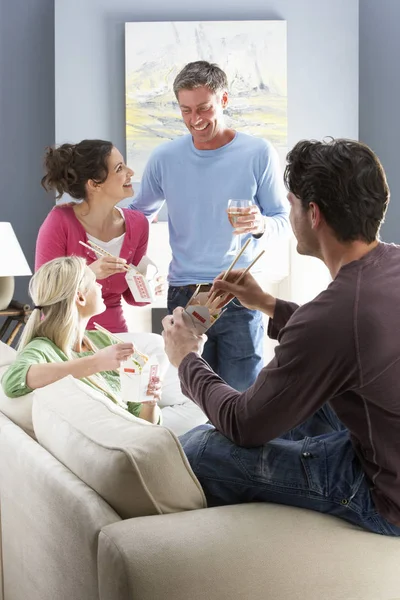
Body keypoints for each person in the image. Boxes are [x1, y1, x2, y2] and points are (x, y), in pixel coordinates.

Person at [162, 138, 400, 536]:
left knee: (204, 448)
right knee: (278, 409)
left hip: (386, 496)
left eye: (290, 204)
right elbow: (347, 340)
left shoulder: (337, 314)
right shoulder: (389, 263)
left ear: (314, 213)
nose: (288, 214)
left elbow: (242, 424)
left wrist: (187, 358)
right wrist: (267, 303)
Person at [129, 61, 290, 391]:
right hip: (183, 293)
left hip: (238, 292)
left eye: (204, 108)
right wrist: (139, 265)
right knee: (187, 398)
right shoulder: (164, 157)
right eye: (185, 110)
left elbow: (282, 221)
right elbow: (137, 217)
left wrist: (260, 223)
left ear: (224, 100)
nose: (195, 120)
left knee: (241, 397)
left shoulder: (258, 152)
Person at [1, 256, 161, 424]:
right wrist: (97, 362)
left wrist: (149, 403)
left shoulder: (104, 340)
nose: (100, 286)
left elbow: (145, 424)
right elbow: (13, 381)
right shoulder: (42, 348)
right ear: (80, 297)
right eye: (94, 282)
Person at [36, 139, 159, 333]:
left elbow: (131, 297)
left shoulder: (138, 224)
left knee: (155, 349)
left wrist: (146, 287)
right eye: (119, 168)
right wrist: (89, 273)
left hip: (115, 337)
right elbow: (44, 293)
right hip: (65, 336)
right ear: (94, 184)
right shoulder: (59, 222)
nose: (130, 172)